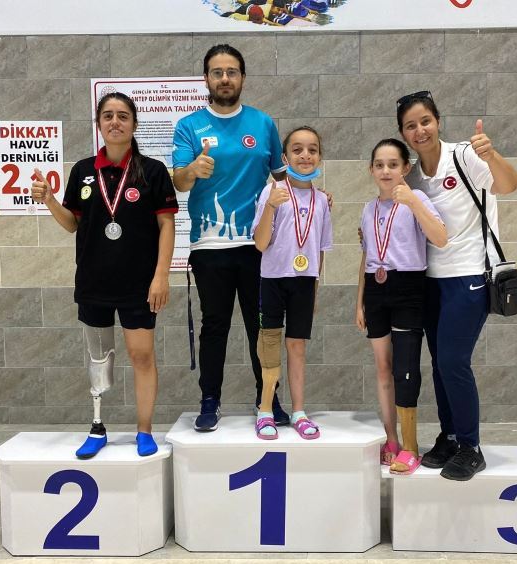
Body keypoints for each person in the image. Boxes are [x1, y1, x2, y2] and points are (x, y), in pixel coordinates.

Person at [31, 91, 178, 458]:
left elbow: (167, 224)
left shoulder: (153, 171)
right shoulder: (82, 170)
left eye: (123, 116)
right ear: (98, 124)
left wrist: (161, 275)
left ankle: (144, 430)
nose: (115, 122)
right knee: (99, 360)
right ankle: (97, 427)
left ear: (134, 124)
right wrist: (49, 200)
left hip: (139, 284)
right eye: (108, 115)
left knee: (141, 356)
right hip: (94, 282)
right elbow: (72, 224)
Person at [397, 90, 517, 481]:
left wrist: (491, 155)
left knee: (453, 361)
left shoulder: (465, 156)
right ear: (403, 133)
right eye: (410, 126)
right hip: (431, 280)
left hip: (470, 275)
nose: (420, 130)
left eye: (425, 121)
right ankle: (449, 437)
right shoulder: (412, 176)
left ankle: (470, 446)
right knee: (439, 364)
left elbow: (508, 185)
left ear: (437, 121)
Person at [172, 44, 289, 431]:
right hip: (210, 246)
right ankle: (210, 401)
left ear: (242, 77)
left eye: (232, 72)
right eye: (217, 72)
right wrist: (193, 169)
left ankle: (268, 400)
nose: (225, 78)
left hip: (258, 245)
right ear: (206, 78)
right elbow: (179, 181)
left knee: (262, 326)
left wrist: (314, 199)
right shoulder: (189, 126)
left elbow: (282, 178)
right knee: (215, 326)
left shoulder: (262, 123)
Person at [356, 139, 447, 475]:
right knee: (383, 368)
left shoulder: (417, 198)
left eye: (393, 164)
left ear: (406, 168)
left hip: (408, 288)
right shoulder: (368, 209)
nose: (386, 171)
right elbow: (367, 257)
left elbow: (440, 237)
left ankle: (411, 446)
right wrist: (359, 302)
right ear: (371, 169)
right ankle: (391, 439)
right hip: (375, 290)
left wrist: (413, 202)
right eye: (379, 165)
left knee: (404, 369)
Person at [251, 126, 332, 440]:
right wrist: (272, 205)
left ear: (319, 157)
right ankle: (265, 410)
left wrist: (315, 290)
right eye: (297, 150)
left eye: (312, 149)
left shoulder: (322, 200)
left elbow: (320, 249)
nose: (305, 155)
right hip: (272, 280)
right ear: (285, 158)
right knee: (270, 347)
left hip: (304, 283)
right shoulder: (271, 192)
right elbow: (260, 244)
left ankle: (299, 411)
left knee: (297, 346)